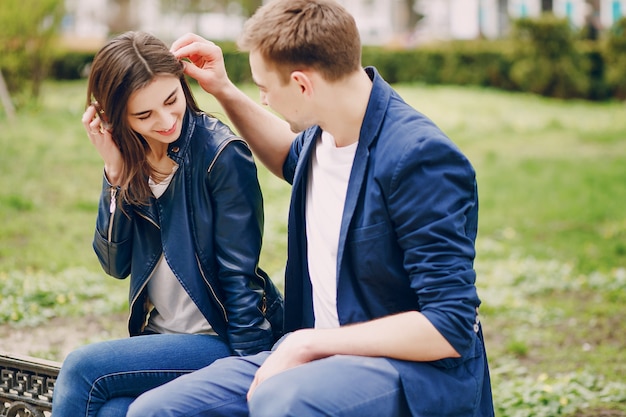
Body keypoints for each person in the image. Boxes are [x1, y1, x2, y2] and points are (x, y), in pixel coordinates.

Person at [127, 0, 495, 415]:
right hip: (313, 359)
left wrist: (308, 342)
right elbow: (288, 154)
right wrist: (223, 89)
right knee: (156, 411)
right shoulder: (326, 135)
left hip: (409, 374)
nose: (263, 99)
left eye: (264, 88)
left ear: (302, 85)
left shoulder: (418, 158)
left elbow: (449, 327)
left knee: (282, 401)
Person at [51, 31, 283, 417]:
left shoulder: (220, 156)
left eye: (172, 100)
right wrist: (114, 175)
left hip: (220, 338)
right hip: (161, 337)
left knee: (82, 370)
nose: (165, 120)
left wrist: (249, 374)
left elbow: (238, 278)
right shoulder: (130, 162)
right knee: (114, 412)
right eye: (144, 115)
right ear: (112, 117)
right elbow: (115, 264)